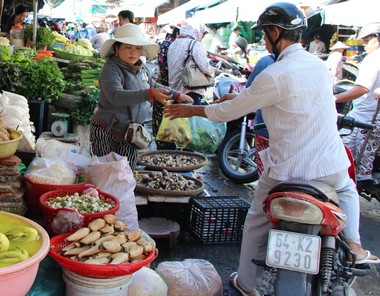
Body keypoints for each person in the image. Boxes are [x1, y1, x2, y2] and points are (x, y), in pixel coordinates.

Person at [163, 3, 379, 295]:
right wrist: (236, 96)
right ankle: (354, 245)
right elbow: (282, 99)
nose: (264, 41)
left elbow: (233, 112)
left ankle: (247, 282)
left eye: (265, 34)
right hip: (330, 166)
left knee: (256, 219)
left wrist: (194, 111)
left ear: (276, 32)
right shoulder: (318, 66)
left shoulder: (275, 73)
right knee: (347, 189)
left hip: (287, 170)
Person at [90, 24, 193, 170]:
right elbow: (116, 96)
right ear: (117, 49)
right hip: (107, 129)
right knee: (105, 171)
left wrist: (176, 95)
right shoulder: (111, 69)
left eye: (137, 48)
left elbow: (152, 84)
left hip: (131, 132)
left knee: (126, 170)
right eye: (127, 47)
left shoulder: (141, 67)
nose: (133, 52)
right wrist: (149, 94)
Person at [336, 22, 380, 181]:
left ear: (376, 39)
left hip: (366, 117)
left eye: (367, 41)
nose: (365, 45)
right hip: (366, 113)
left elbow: (362, 88)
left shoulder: (373, 59)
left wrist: (334, 99)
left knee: (347, 160)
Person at [167, 19, 214, 106]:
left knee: (178, 118)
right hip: (189, 91)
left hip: (175, 92)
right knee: (191, 119)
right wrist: (212, 71)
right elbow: (205, 67)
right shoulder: (194, 44)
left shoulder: (173, 44)